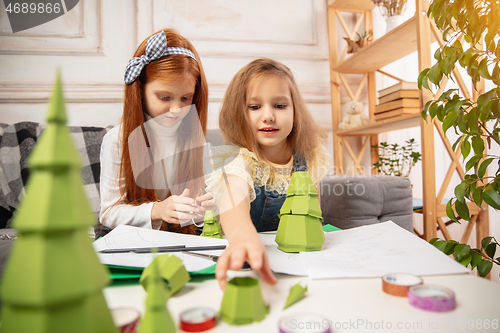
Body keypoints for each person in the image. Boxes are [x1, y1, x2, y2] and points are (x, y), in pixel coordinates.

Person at [206, 58, 330, 289]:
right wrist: (242, 236)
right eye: (254, 107)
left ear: (295, 110)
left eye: (280, 106)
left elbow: (312, 212)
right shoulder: (239, 159)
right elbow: (234, 193)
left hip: (299, 259)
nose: (268, 116)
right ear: (238, 113)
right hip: (249, 257)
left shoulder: (310, 156)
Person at [97, 29, 213, 238]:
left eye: (185, 98)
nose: (176, 109)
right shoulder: (117, 141)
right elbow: (108, 213)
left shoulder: (195, 141)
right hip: (130, 243)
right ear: (140, 90)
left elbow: (196, 214)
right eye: (164, 97)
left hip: (179, 241)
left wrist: (202, 210)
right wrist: (157, 210)